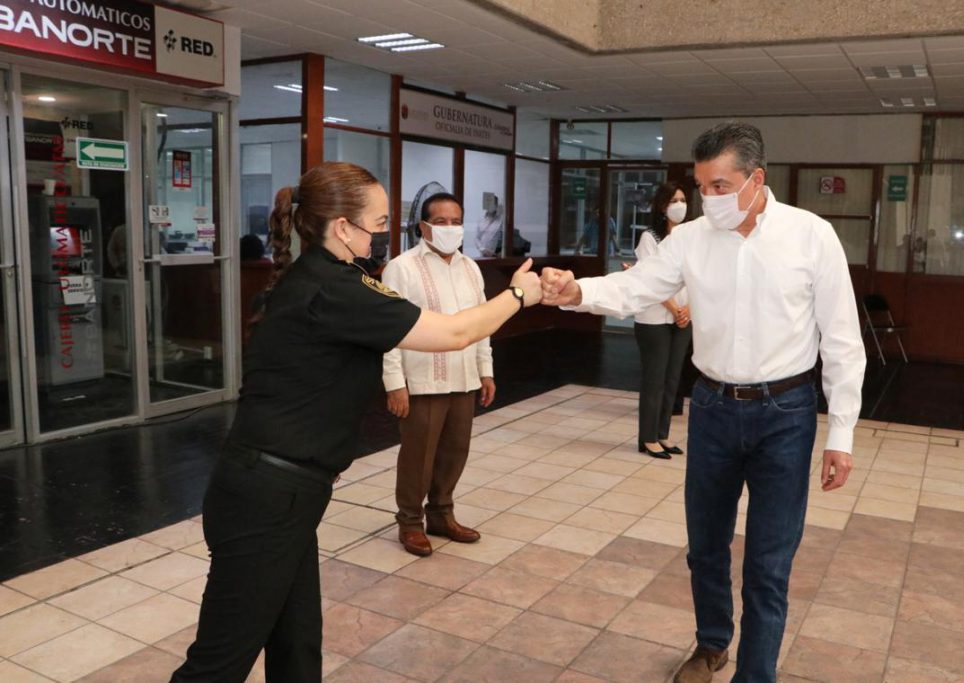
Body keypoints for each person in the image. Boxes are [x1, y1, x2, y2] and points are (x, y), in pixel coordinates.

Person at [170, 162, 541, 683]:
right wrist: (520, 295)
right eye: (378, 223)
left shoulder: (324, 278)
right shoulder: (333, 289)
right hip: (266, 497)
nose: (382, 234)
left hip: (286, 492)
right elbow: (454, 333)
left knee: (297, 644)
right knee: (217, 664)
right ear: (343, 227)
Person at [540, 122, 865, 683]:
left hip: (786, 413)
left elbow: (841, 340)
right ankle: (712, 643)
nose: (707, 198)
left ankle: (755, 674)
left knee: (768, 561)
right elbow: (637, 286)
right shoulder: (689, 239)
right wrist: (578, 292)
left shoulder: (811, 236)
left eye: (720, 186)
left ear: (756, 179)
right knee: (705, 547)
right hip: (713, 408)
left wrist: (842, 433)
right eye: (701, 186)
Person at [382, 193, 494, 556]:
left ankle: (442, 514)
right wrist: (395, 384)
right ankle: (410, 522)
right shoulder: (401, 267)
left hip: (464, 377)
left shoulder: (470, 267)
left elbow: (482, 324)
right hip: (422, 380)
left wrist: (486, 370)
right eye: (441, 221)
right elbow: (387, 331)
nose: (450, 228)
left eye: (456, 221)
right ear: (423, 226)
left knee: (454, 451)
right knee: (419, 456)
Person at [633, 181, 692, 459]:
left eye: (683, 200)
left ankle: (663, 434)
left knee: (672, 380)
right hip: (655, 318)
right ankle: (648, 438)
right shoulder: (650, 238)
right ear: (661, 206)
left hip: (683, 318)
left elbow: (697, 277)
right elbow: (650, 280)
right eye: (673, 201)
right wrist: (674, 307)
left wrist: (688, 309)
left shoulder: (690, 237)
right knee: (654, 380)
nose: (680, 205)